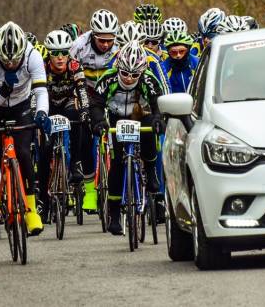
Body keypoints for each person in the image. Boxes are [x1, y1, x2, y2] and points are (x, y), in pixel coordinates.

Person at [0, 21, 48, 236]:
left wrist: (42, 113)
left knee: (25, 153)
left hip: (21, 105)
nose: (10, 63)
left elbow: (41, 91)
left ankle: (31, 210)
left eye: (15, 60)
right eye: (6, 60)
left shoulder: (32, 55)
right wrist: (3, 92)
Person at [89, 41, 164, 236]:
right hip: (116, 117)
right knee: (117, 163)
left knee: (149, 134)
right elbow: (96, 104)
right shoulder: (108, 78)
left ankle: (150, 171)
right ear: (118, 68)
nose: (129, 78)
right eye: (125, 73)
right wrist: (98, 122)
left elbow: (157, 102)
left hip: (140, 113)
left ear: (141, 72)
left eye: (134, 75)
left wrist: (158, 119)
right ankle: (114, 215)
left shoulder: (148, 79)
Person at [36, 29, 92, 218]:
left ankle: (75, 161)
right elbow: (34, 94)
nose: (60, 58)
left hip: (68, 102)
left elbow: (82, 91)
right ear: (48, 54)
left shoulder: (75, 66)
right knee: (45, 151)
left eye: (64, 53)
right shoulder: (42, 68)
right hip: (49, 105)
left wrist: (85, 110)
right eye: (55, 53)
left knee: (78, 117)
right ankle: (42, 199)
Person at [70, 9, 120, 86]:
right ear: (93, 35)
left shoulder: (119, 44)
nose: (106, 45)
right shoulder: (79, 45)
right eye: (102, 40)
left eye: (110, 40)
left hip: (110, 89)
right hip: (85, 88)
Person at [160, 30, 199, 94]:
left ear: (188, 49)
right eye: (173, 52)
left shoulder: (198, 63)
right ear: (168, 52)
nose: (178, 55)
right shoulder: (163, 68)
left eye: (181, 51)